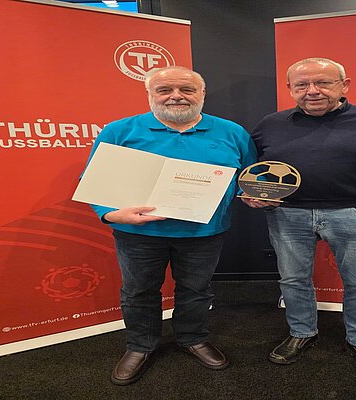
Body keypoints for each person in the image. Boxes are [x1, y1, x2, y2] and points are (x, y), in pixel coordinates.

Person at [242, 58, 356, 380]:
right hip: (288, 214)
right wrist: (253, 193)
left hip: (355, 214)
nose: (312, 91)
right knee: (293, 280)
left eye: (323, 82)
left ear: (344, 85)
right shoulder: (270, 124)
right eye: (302, 85)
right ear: (290, 89)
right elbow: (252, 171)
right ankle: (302, 332)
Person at [85, 66, 257, 385]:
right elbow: (93, 181)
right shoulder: (119, 131)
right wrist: (109, 214)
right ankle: (140, 345)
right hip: (138, 234)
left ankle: (192, 338)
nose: (176, 96)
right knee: (138, 291)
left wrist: (255, 196)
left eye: (187, 89)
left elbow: (248, 178)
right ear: (149, 94)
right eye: (164, 90)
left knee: (196, 290)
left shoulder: (233, 133)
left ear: (202, 94)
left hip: (204, 233)